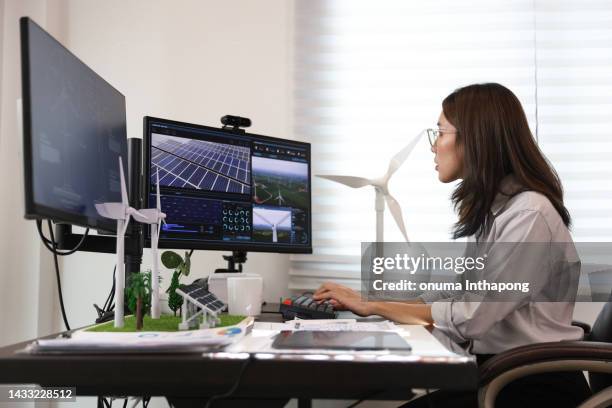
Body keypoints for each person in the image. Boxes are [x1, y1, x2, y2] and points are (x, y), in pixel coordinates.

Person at [313, 83, 591, 407]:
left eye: (441, 133)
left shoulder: (528, 213)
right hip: (501, 377)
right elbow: (459, 297)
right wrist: (371, 300)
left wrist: (373, 307)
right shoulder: (496, 210)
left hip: (529, 388)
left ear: (475, 139)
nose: (434, 146)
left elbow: (473, 315)